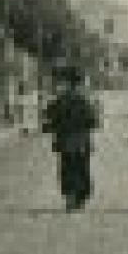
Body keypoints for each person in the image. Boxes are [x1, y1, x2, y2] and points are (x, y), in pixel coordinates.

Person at [39, 62, 101, 211]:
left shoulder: (60, 100)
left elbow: (49, 117)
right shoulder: (85, 101)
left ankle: (70, 196)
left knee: (67, 169)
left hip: (65, 142)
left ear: (67, 82)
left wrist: (51, 127)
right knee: (82, 169)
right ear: (79, 83)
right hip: (81, 142)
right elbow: (93, 122)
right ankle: (80, 197)